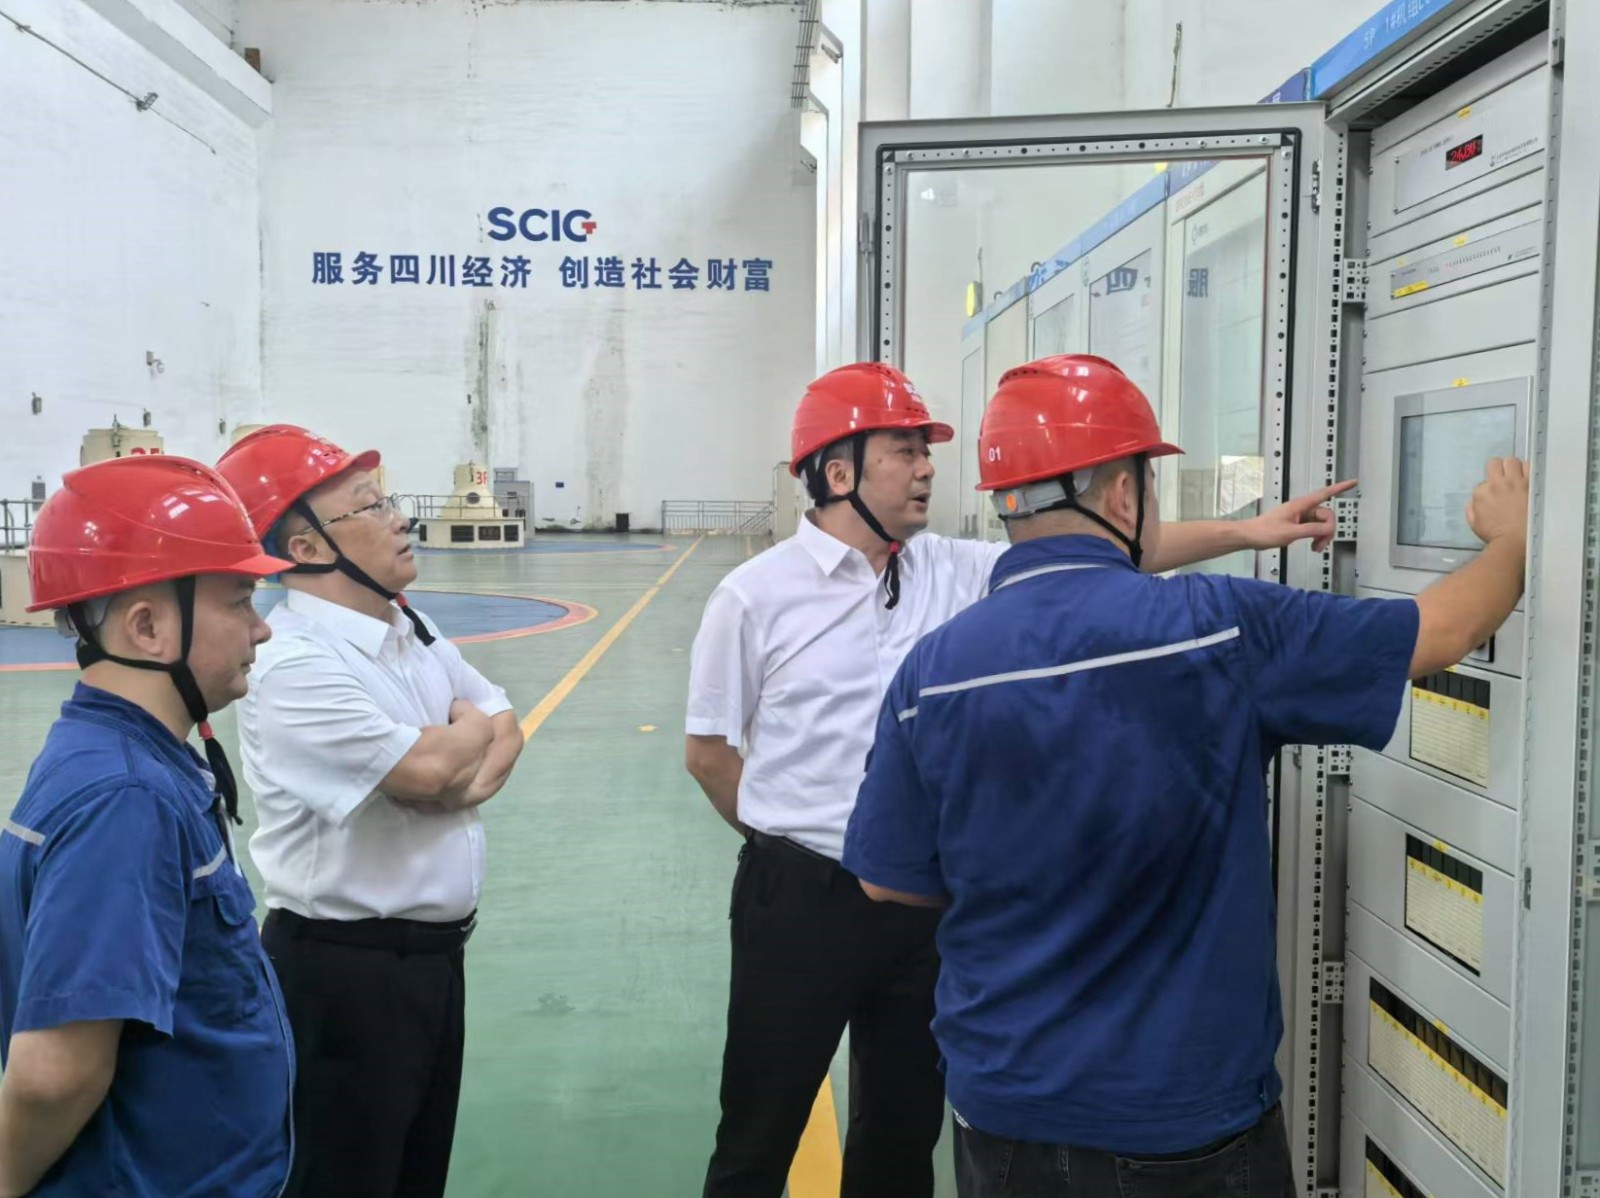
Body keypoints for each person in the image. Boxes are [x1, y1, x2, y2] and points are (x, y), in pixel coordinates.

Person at [841, 354, 1529, 1198]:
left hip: (1003, 1116)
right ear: (1123, 495)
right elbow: (1443, 631)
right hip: (1182, 1122)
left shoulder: (931, 672)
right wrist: (1513, 539)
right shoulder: (1218, 629)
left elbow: (888, 880)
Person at [686, 360, 1358, 1198]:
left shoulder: (950, 569)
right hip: (801, 899)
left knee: (900, 1130)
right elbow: (709, 754)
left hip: (918, 900)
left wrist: (1250, 533)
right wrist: (793, 843)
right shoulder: (753, 597)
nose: (928, 468)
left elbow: (1114, 547)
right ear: (838, 472)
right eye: (905, 451)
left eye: (927, 451)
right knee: (760, 1126)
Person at [214, 425, 524, 1198]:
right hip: (343, 980)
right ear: (307, 547)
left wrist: (456, 752)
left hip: (432, 968)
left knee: (415, 1175)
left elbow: (503, 727)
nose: (399, 517)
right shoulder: (293, 662)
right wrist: (458, 743)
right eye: (371, 506)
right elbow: (427, 769)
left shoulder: (411, 630)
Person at [0, 455, 295, 1197]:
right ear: (148, 626)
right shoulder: (127, 798)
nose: (261, 628)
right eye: (240, 601)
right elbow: (54, 1077)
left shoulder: (127, 759)